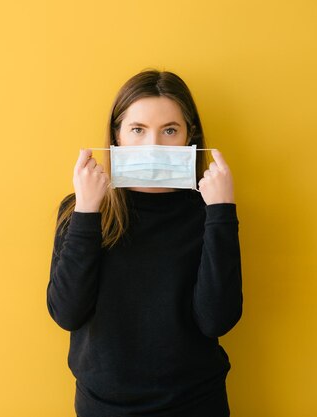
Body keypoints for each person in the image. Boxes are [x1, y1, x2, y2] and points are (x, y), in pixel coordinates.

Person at [46, 69, 243, 417]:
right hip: (103, 406)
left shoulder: (208, 210)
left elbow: (217, 320)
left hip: (197, 404)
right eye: (138, 130)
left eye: (169, 130)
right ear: (117, 137)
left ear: (189, 137)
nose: (153, 145)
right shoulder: (83, 208)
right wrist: (87, 211)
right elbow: (67, 312)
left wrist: (222, 213)